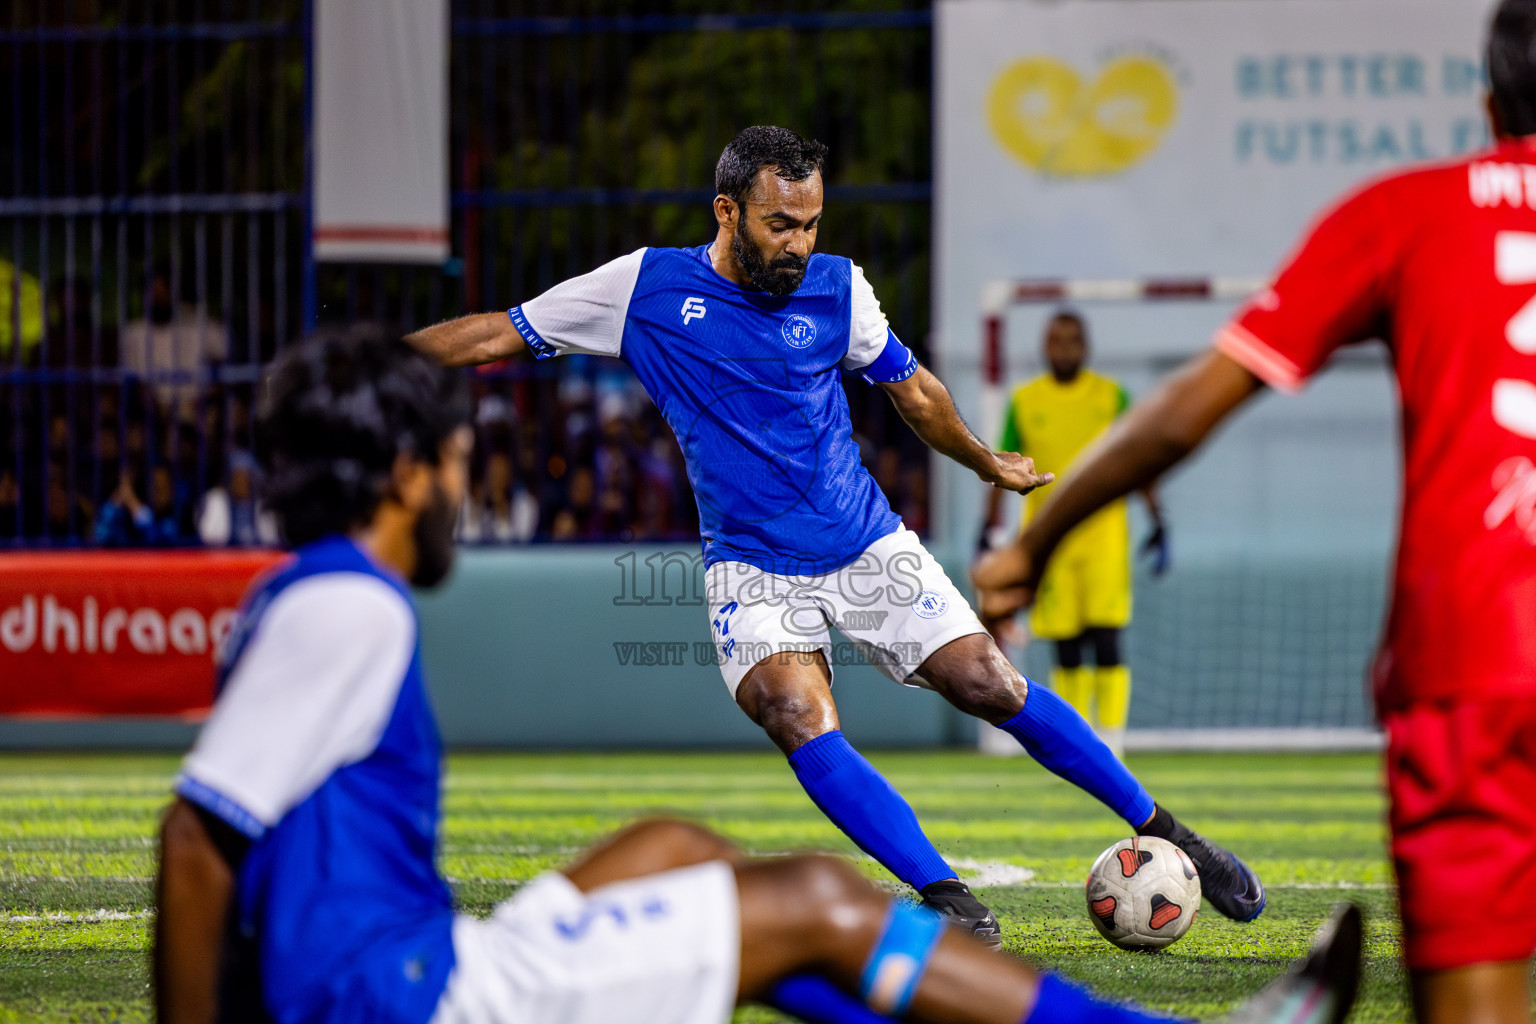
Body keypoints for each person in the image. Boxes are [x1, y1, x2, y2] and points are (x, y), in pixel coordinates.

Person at [154, 326, 1363, 1024]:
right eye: (463, 458)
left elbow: (233, 842)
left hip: (397, 967)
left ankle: (966, 943)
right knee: (821, 903)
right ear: (406, 474)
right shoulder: (347, 607)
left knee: (674, 845)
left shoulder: (307, 590)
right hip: (412, 999)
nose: (472, 484)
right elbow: (197, 840)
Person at [406, 125, 1264, 944]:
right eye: (781, 224)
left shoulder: (840, 289)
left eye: (812, 224)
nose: (799, 245)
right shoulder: (645, 289)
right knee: (793, 711)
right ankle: (951, 899)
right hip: (751, 566)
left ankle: (1175, 836)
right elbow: (496, 333)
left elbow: (914, 389)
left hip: (864, 544)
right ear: (727, 211)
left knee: (990, 684)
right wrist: (372, 364)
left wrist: (982, 461)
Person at [973, 3, 1536, 1021]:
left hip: (1478, 662)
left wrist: (1032, 543)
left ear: (1491, 102)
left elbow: (1191, 407)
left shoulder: (1412, 211)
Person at [982, 311, 1167, 757]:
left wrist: (1160, 518)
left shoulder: (1110, 397)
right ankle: (1081, 742)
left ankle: (1113, 742)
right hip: (1049, 543)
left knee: (1106, 637)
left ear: (1085, 347)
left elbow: (1137, 458)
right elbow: (998, 465)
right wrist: (986, 530)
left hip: (1104, 538)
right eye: (1055, 340)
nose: (1064, 348)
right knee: (1065, 644)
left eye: (1072, 340)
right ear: (1045, 347)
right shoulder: (1025, 401)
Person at [119, 261, 228, 423]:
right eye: (152, 291)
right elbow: (133, 380)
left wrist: (208, 397)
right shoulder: (133, 333)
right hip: (153, 414)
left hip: (199, 408)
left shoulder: (200, 325)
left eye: (162, 290)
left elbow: (229, 364)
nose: (157, 297)